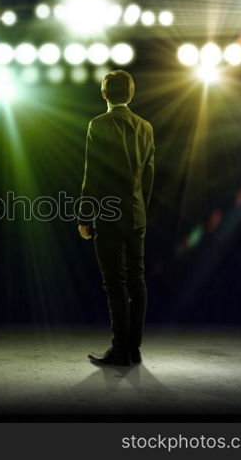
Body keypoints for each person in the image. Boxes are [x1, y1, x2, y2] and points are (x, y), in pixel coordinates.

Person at [78, 70, 155, 366]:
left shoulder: (98, 125)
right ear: (131, 94)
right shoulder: (146, 127)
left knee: (115, 284)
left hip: (109, 217)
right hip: (137, 216)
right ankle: (133, 350)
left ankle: (119, 349)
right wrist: (141, 210)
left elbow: (93, 174)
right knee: (137, 282)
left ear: (104, 94)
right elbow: (148, 175)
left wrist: (85, 215)